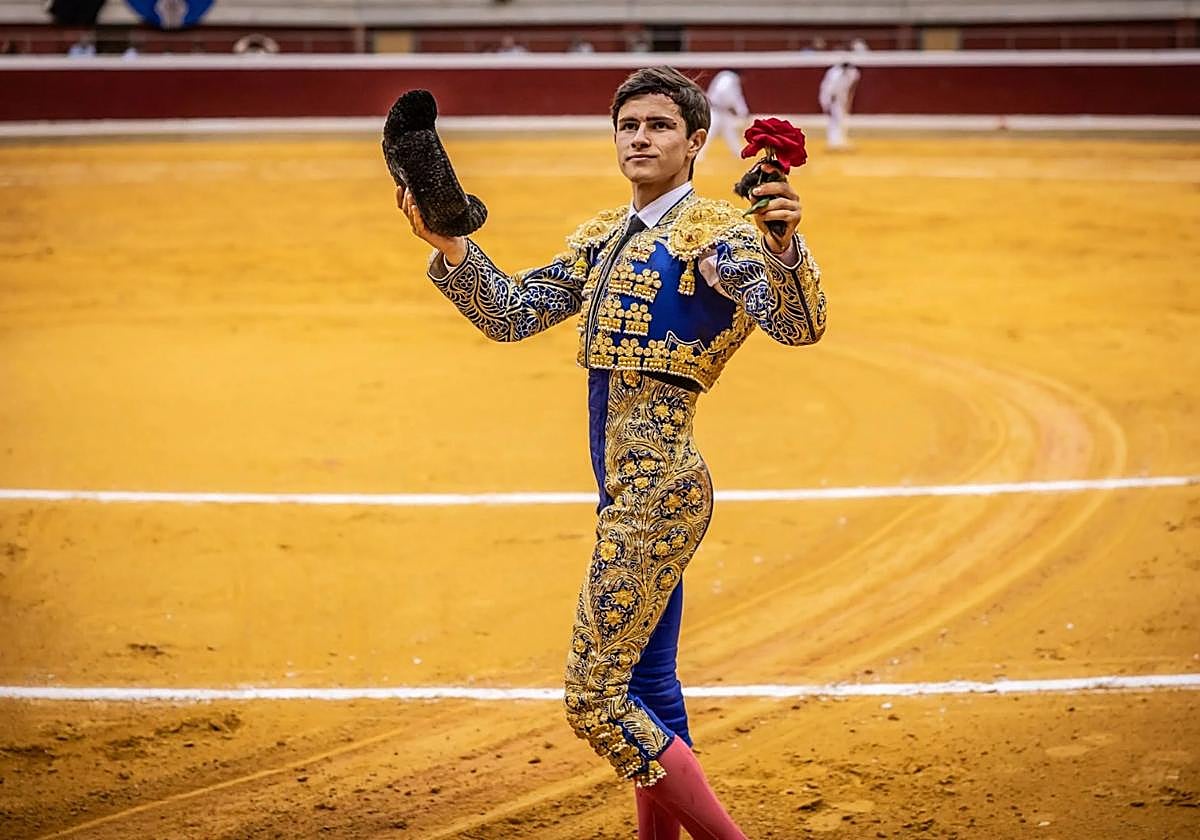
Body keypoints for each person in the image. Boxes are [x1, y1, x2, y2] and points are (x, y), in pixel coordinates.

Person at [396, 66, 826, 839]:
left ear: (696, 142)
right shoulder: (605, 236)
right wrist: (453, 246)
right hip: (627, 488)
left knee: (595, 698)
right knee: (647, 684)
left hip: (657, 490)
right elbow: (514, 314)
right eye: (628, 125)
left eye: (659, 126)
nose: (639, 138)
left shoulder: (716, 238)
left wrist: (786, 250)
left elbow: (797, 326)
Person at [697, 69, 749, 162]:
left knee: (729, 133)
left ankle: (739, 153)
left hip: (722, 111)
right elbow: (732, 96)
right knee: (709, 133)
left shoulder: (724, 77)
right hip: (717, 110)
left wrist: (740, 111)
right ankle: (698, 154)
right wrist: (739, 111)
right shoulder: (730, 79)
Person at [818, 60, 860, 150]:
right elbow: (830, 89)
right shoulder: (835, 74)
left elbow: (850, 89)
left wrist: (846, 101)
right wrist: (830, 102)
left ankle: (839, 140)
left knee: (840, 119)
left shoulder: (852, 73)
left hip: (839, 99)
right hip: (832, 98)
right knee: (835, 119)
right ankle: (834, 141)